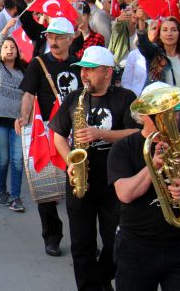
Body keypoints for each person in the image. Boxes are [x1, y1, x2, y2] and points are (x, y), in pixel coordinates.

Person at [108, 83, 180, 291]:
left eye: (174, 111)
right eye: (165, 113)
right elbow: (125, 194)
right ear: (145, 116)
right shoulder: (124, 148)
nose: (174, 117)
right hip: (136, 247)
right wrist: (152, 166)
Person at [49, 46, 140, 291]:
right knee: (81, 245)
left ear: (108, 72)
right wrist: (70, 162)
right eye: (82, 70)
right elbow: (57, 135)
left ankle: (100, 280)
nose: (84, 75)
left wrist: (101, 134)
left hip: (115, 182)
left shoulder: (126, 98)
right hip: (81, 181)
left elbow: (137, 133)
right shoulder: (74, 98)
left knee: (116, 243)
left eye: (90, 70)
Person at [16, 17, 81, 257]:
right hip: (47, 131)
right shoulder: (39, 63)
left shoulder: (80, 64)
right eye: (50, 37)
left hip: (77, 131)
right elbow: (27, 94)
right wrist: (23, 118)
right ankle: (52, 238)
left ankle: (81, 239)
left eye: (59, 37)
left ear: (70, 39)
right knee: (45, 187)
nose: (53, 42)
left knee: (79, 187)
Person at [136, 14, 180, 139]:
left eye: (173, 30)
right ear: (159, 34)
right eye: (165, 30)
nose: (169, 33)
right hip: (158, 113)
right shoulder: (154, 54)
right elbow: (143, 44)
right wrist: (141, 22)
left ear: (179, 33)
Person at [0, 18, 27, 211]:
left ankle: (16, 197)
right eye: (6, 47)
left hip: (18, 121)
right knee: (4, 158)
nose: (9, 50)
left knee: (17, 159)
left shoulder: (24, 72)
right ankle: (1, 191)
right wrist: (5, 30)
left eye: (13, 47)